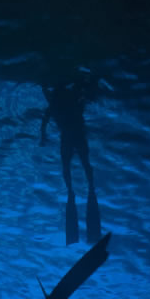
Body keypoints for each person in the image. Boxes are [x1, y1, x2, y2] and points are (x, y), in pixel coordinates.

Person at [40, 76, 102, 244]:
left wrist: (43, 136)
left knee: (68, 167)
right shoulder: (72, 98)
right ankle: (90, 188)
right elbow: (86, 96)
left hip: (68, 137)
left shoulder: (54, 103)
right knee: (84, 163)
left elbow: (45, 121)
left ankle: (72, 192)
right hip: (78, 135)